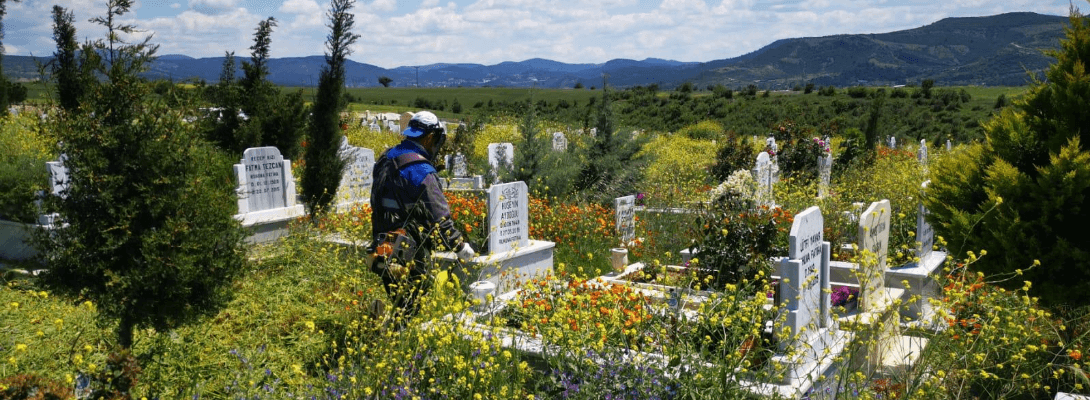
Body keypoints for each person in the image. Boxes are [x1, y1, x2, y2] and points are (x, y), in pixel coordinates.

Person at [368, 111, 476, 322]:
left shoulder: (387, 158)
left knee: (396, 297)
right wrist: (461, 247)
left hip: (383, 242)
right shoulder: (420, 170)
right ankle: (397, 343)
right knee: (412, 304)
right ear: (429, 137)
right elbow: (439, 218)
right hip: (408, 248)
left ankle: (382, 331)